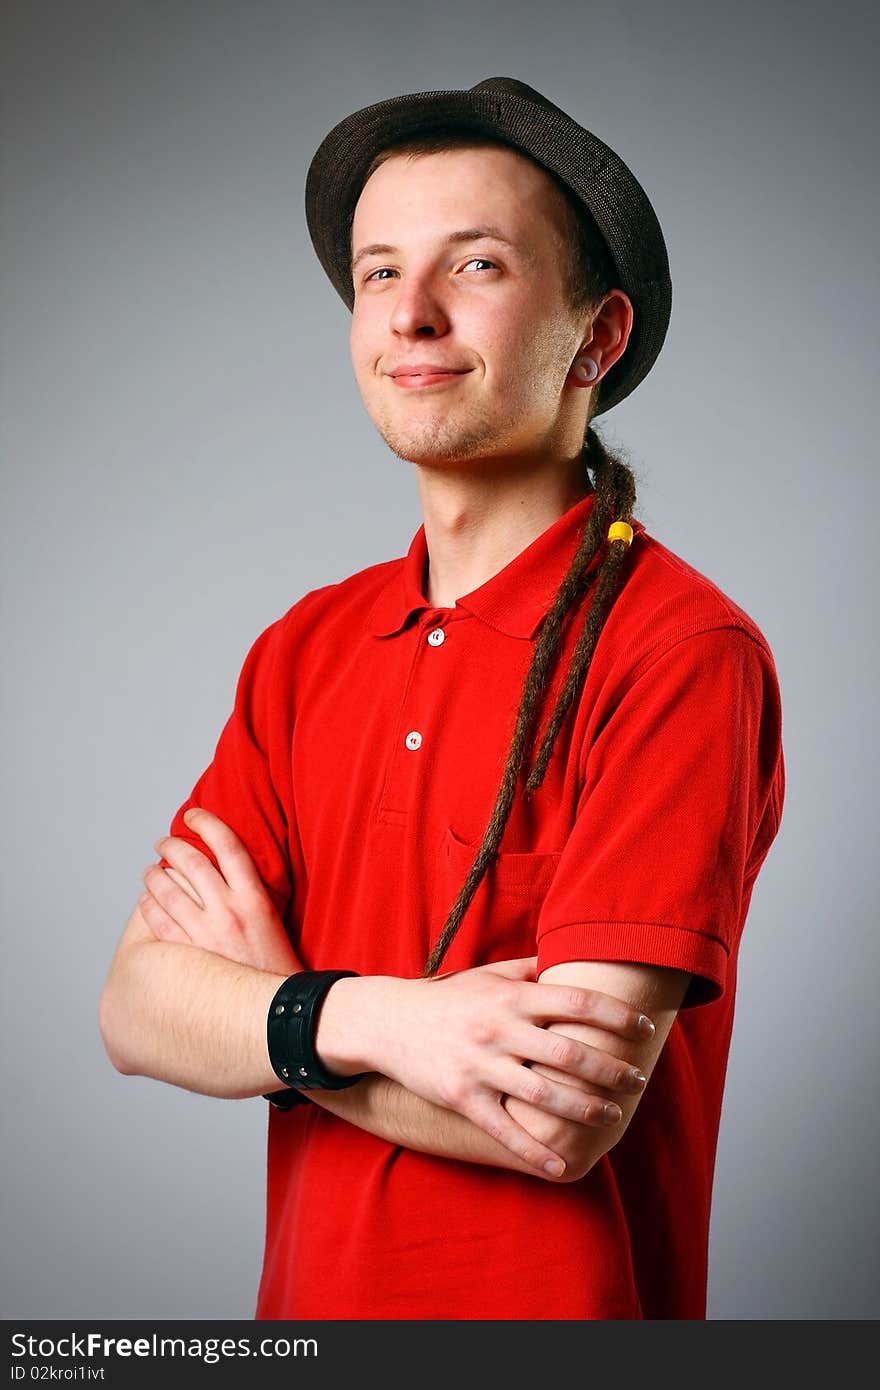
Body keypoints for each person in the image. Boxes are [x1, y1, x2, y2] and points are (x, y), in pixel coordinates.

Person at [99, 77, 785, 1321]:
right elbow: (139, 1005)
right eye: (376, 274)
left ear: (597, 336)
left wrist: (276, 1018)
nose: (408, 314)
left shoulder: (678, 649)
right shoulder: (303, 647)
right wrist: (371, 1017)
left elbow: (556, 1116)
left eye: (473, 266)